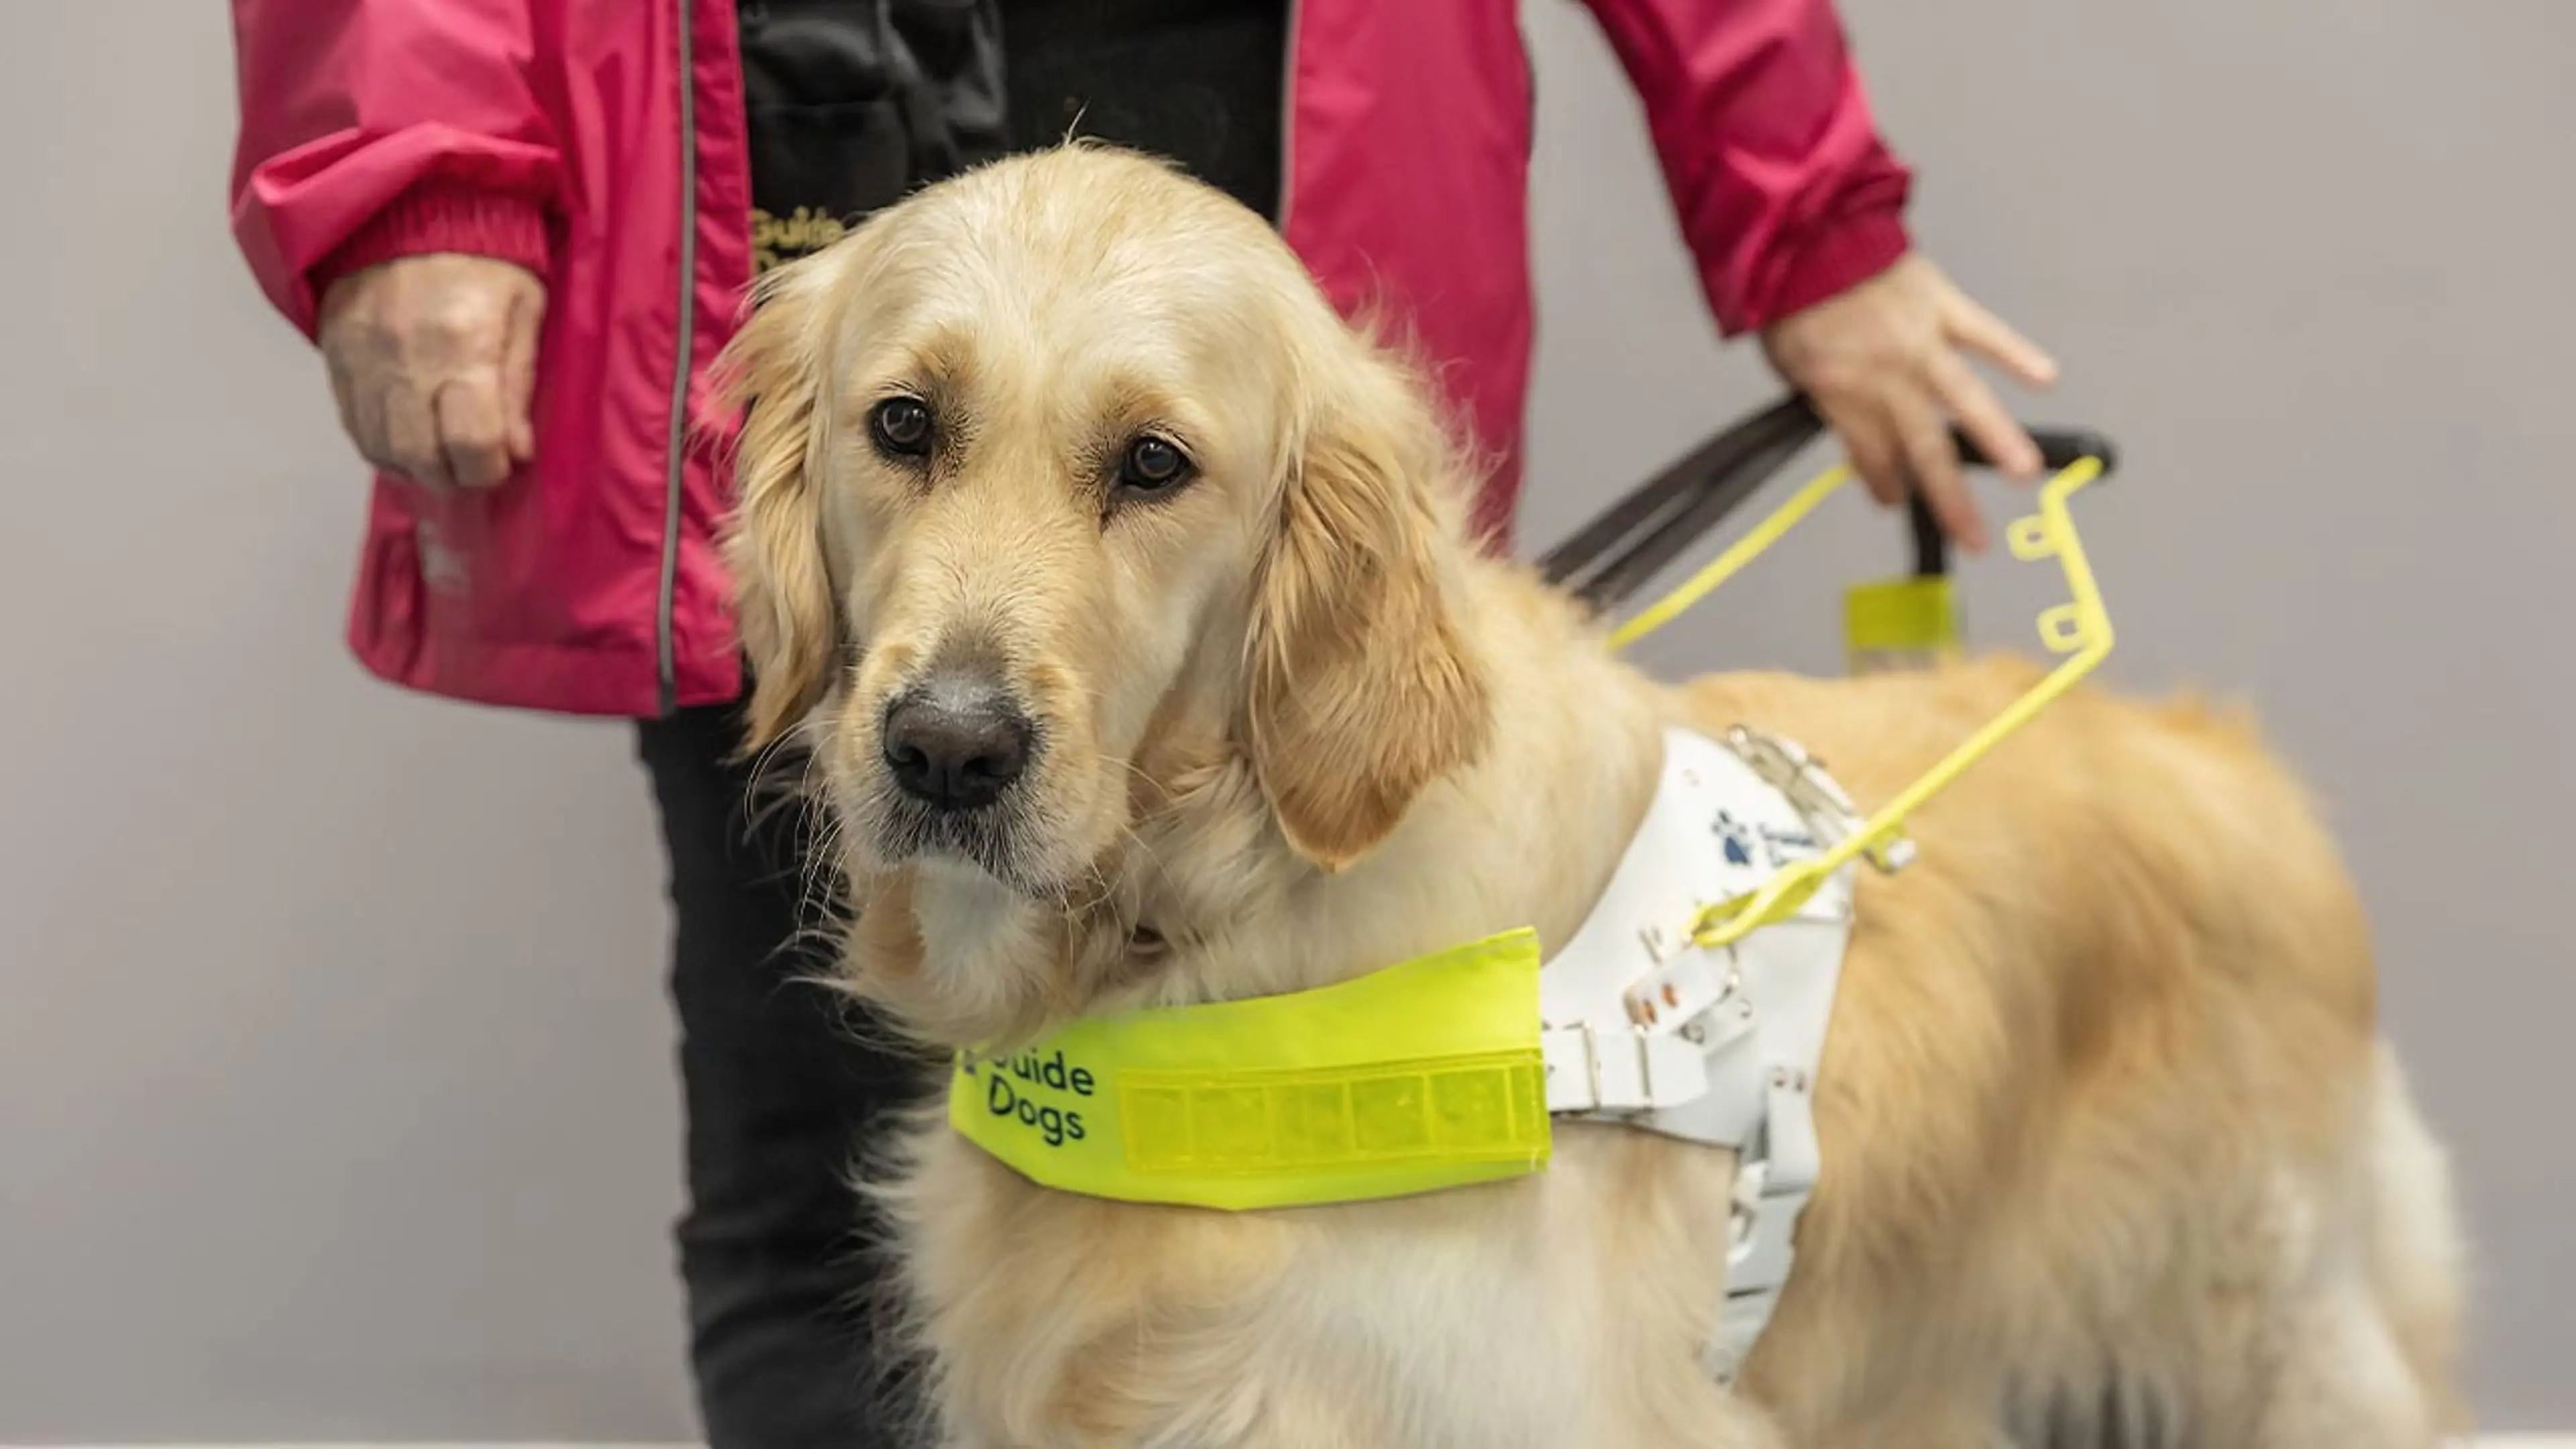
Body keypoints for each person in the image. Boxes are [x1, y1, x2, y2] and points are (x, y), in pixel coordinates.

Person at [227, 2, 2057, 1444]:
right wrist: (413, 171)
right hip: (757, 121)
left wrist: (1803, 201)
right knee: (812, 1203)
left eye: (1149, 472)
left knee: (1394, 1233)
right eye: (902, 444)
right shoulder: (812, 454)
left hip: (1270, 106)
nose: (952, 712)